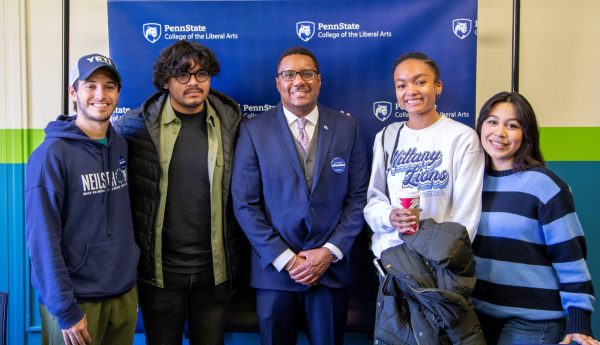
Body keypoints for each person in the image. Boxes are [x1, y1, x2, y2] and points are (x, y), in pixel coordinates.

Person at [231, 46, 368, 345]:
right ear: (277, 82)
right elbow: (245, 204)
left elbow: (358, 199)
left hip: (330, 270)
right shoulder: (253, 131)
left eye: (307, 73)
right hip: (276, 274)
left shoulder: (348, 128)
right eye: (289, 74)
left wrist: (329, 252)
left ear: (319, 80)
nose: (298, 81)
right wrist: (287, 259)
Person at [113, 40, 245, 345]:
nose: (194, 83)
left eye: (201, 75)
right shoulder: (134, 127)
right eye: (183, 75)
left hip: (215, 272)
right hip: (160, 275)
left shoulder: (232, 123)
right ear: (165, 81)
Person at [25, 54, 140, 345]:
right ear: (73, 92)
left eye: (109, 86)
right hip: (76, 303)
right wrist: (65, 309)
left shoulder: (120, 145)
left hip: (122, 294)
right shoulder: (51, 155)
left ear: (117, 93)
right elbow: (41, 240)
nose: (100, 95)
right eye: (91, 86)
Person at [472, 91, 598, 345]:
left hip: (534, 321)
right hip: (478, 315)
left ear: (526, 134)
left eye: (512, 125)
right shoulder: (471, 183)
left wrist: (579, 320)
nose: (500, 133)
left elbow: (570, 257)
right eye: (492, 121)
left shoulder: (546, 187)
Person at [364, 51, 484, 258]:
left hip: (439, 261)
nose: (410, 91)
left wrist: (443, 254)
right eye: (401, 85)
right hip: (394, 261)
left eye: (420, 82)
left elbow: (466, 212)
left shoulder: (463, 137)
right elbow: (375, 198)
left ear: (438, 86)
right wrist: (389, 216)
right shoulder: (387, 136)